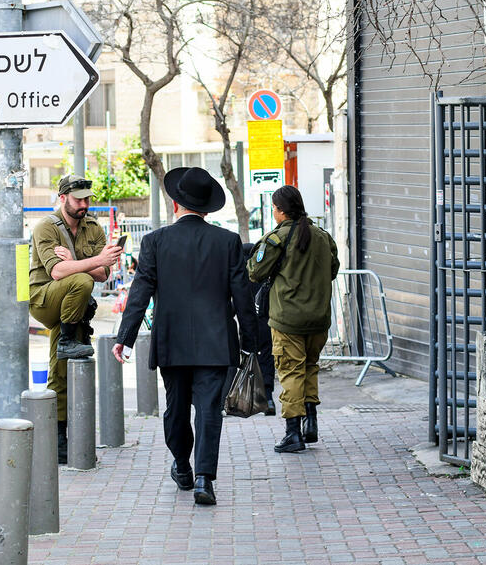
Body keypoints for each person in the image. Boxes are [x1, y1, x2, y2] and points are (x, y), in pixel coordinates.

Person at [111, 167, 257, 506]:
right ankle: (205, 478)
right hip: (217, 342)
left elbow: (140, 292)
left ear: (176, 203)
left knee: (175, 409)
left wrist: (126, 336)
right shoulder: (228, 242)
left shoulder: (155, 242)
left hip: (171, 342)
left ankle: (181, 464)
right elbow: (243, 296)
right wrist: (251, 342)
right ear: (206, 208)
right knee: (208, 410)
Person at [30, 174, 123, 463]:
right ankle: (69, 339)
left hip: (73, 306)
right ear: (62, 198)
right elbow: (58, 273)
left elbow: (105, 274)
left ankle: (60, 437)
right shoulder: (46, 227)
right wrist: (88, 263)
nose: (84, 204)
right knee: (81, 280)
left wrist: (71, 259)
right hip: (44, 298)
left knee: (62, 368)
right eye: (78, 199)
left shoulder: (93, 228)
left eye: (87, 199)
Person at [247, 185, 339, 453]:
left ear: (281, 211)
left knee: (290, 372)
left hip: (288, 320)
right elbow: (333, 270)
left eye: (274, 209)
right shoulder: (322, 236)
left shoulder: (277, 238)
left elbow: (254, 271)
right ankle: (311, 424)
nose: (273, 213)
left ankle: (293, 433)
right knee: (310, 368)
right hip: (319, 319)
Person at [241, 242, 277, 416]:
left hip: (246, 323)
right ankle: (268, 397)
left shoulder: (238, 273)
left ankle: (245, 398)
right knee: (266, 357)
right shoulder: (263, 270)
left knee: (246, 358)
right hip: (265, 320)